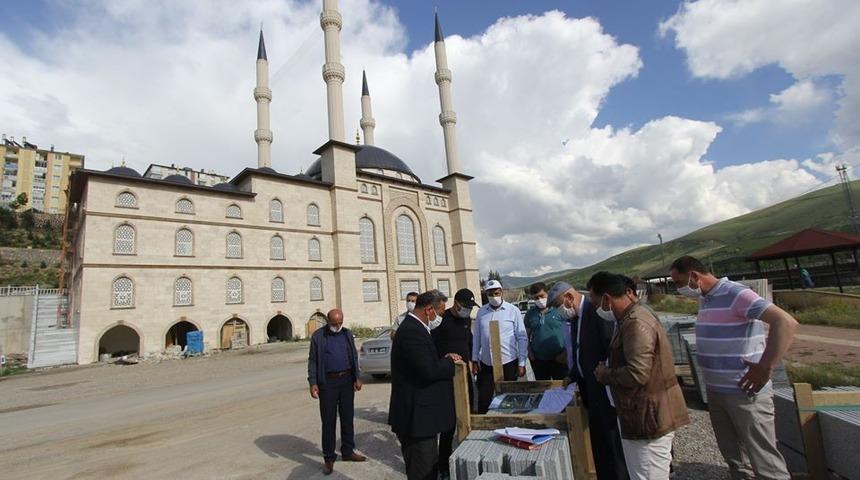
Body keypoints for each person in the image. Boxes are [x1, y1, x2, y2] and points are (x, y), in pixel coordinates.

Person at [670, 256, 797, 480]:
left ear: (694, 276)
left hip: (745, 392)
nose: (678, 288)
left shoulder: (736, 293)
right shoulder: (706, 298)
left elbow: (785, 322)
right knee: (736, 459)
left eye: (678, 282)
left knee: (764, 460)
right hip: (717, 391)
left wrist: (765, 366)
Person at [589, 272, 689, 480]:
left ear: (607, 299)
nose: (595, 308)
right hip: (637, 415)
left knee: (648, 474)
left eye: (595, 302)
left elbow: (637, 373)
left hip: (647, 417)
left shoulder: (636, 323)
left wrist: (605, 374)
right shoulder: (627, 319)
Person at [548, 280, 629, 480]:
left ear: (568, 298)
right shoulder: (577, 317)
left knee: (612, 447)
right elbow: (579, 352)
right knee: (600, 446)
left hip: (605, 391)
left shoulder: (596, 313)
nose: (560, 312)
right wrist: (573, 374)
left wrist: (606, 376)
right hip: (590, 392)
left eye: (559, 306)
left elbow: (607, 350)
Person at [388, 290, 462, 480]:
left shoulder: (418, 328)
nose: (441, 317)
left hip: (421, 419)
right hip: (415, 421)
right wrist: (449, 363)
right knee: (423, 472)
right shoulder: (411, 331)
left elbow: (424, 363)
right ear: (429, 310)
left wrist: (442, 359)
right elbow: (428, 371)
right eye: (441, 312)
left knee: (429, 468)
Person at [307, 309, 367, 475]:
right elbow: (313, 360)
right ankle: (329, 458)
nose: (338, 326)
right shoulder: (318, 336)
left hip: (347, 380)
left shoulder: (347, 334)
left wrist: (357, 377)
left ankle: (348, 451)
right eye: (334, 323)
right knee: (329, 421)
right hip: (328, 383)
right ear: (328, 321)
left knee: (347, 418)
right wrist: (313, 382)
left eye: (340, 322)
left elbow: (353, 356)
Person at [432, 288, 478, 480]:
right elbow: (431, 348)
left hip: (465, 375)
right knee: (448, 424)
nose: (468, 310)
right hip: (448, 378)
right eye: (466, 306)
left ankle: (469, 458)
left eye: (470, 307)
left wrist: (473, 360)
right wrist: (444, 358)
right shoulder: (441, 321)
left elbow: (468, 342)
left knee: (469, 416)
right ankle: (443, 466)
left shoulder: (466, 320)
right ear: (457, 303)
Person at [471, 279, 528, 414]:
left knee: (509, 399)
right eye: (490, 294)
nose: (493, 297)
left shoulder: (513, 310)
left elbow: (522, 337)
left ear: (501, 292)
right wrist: (474, 359)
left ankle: (510, 426)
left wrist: (522, 362)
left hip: (508, 362)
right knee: (484, 399)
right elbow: (477, 337)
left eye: (496, 293)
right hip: (486, 363)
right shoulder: (481, 312)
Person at [523, 282, 569, 380]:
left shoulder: (559, 309)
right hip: (539, 361)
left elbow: (570, 332)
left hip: (559, 359)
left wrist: (565, 353)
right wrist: (530, 353)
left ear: (547, 293)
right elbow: (525, 336)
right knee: (543, 391)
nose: (539, 300)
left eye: (541, 296)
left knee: (562, 390)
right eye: (536, 298)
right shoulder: (530, 314)